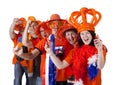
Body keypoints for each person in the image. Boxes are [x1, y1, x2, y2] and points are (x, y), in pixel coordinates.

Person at [44, 7, 107, 85]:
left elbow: (100, 66)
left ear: (92, 34)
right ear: (80, 36)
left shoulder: (100, 47)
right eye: (82, 34)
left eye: (87, 33)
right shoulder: (75, 51)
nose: (85, 36)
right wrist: (50, 53)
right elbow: (61, 65)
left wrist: (100, 50)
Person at [9, 17, 30, 85]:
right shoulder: (17, 36)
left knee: (29, 80)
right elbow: (11, 32)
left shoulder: (30, 36)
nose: (21, 28)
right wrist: (13, 23)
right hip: (18, 61)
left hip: (28, 62)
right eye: (19, 27)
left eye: (23, 26)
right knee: (17, 80)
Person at [22, 16, 42, 85]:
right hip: (33, 70)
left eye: (35, 26)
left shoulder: (42, 38)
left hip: (42, 72)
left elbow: (25, 43)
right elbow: (25, 42)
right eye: (31, 27)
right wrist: (27, 26)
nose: (33, 28)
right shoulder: (32, 40)